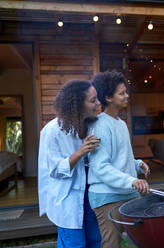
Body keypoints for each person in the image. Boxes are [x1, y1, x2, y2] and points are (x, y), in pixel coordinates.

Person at [88, 71, 150, 248]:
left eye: (126, 92)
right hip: (107, 196)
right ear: (108, 97)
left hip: (128, 193)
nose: (126, 96)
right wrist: (132, 180)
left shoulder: (121, 123)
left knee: (142, 239)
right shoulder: (99, 125)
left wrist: (137, 164)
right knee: (111, 244)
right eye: (121, 93)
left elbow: (122, 158)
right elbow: (101, 167)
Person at [38, 79, 102, 248]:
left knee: (95, 241)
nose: (98, 103)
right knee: (75, 244)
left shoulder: (92, 125)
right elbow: (55, 170)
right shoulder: (52, 131)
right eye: (93, 100)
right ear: (77, 104)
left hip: (90, 195)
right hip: (68, 198)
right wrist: (81, 152)